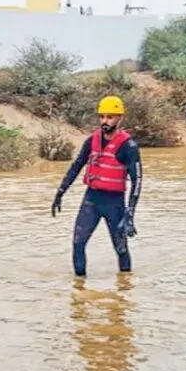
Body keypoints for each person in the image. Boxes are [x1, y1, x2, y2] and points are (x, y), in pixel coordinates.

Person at [51, 95, 142, 277]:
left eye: (110, 117)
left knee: (121, 248)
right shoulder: (91, 141)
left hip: (114, 203)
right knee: (78, 243)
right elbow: (76, 166)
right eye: (102, 117)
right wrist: (60, 192)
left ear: (119, 118)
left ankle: (124, 290)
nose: (105, 121)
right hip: (91, 199)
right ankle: (79, 290)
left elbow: (137, 180)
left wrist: (130, 212)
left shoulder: (128, 146)